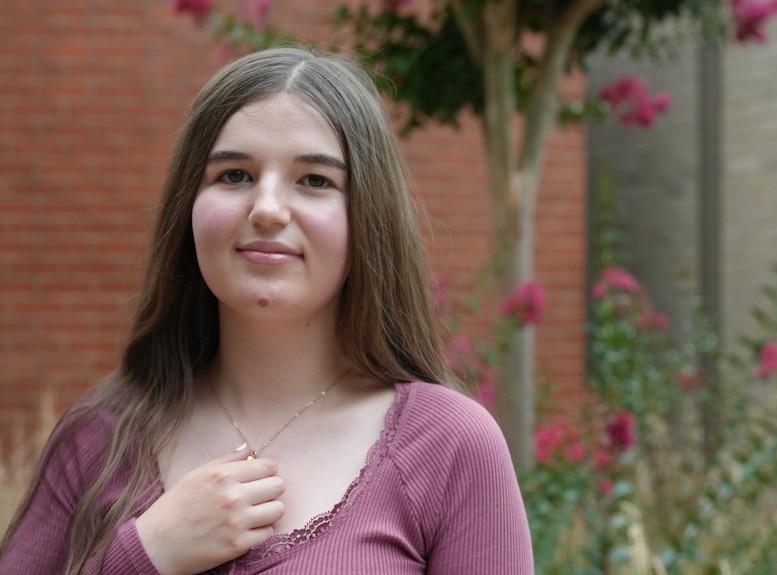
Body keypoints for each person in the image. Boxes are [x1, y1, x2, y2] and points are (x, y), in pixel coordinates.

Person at [0, 46, 534, 574]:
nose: (268, 209)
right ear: (188, 206)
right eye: (234, 174)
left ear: (369, 219)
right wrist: (145, 556)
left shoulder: (449, 446)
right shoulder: (99, 437)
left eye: (315, 180)